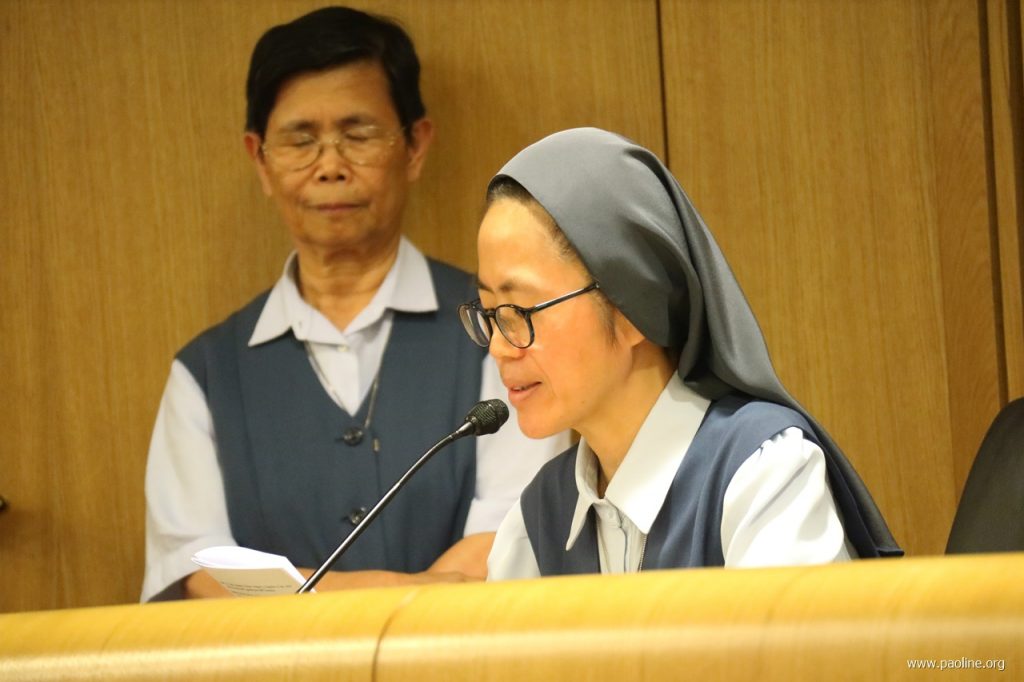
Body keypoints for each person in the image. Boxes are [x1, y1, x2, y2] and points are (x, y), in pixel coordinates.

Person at [140, 6, 566, 601]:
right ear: (260, 160)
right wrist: (418, 590)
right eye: (300, 140)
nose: (330, 167)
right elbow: (196, 577)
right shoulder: (205, 375)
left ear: (414, 147)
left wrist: (306, 601)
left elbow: (509, 542)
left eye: (358, 134)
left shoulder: (503, 330)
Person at [457, 128, 902, 579]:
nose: (498, 347)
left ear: (631, 304)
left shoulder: (763, 475)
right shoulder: (534, 524)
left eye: (519, 311)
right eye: (490, 313)